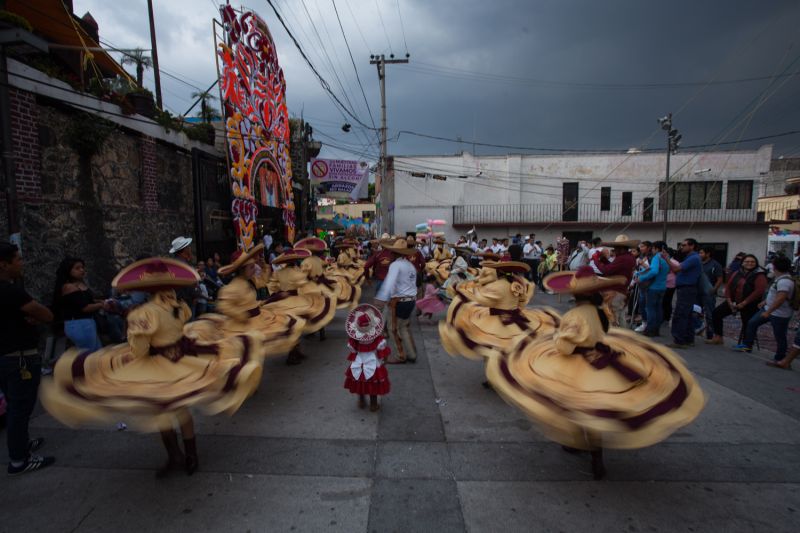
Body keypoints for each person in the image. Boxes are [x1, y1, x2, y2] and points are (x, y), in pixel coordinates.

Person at [41, 257, 263, 477]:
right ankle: (191, 456)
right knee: (181, 409)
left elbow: (139, 350)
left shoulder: (144, 313)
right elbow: (179, 329)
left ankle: (175, 455)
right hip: (181, 359)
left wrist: (131, 344)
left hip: (159, 364)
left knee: (162, 410)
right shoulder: (179, 306)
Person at [486, 266, 705, 479]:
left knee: (575, 403)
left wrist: (556, 341)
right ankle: (594, 455)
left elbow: (565, 346)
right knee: (595, 405)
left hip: (577, 363)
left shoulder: (574, 315)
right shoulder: (598, 311)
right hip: (600, 359)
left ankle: (580, 445)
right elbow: (600, 333)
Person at [0, 241, 56, 475]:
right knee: (20, 407)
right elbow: (45, 313)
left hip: (5, 356)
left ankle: (20, 443)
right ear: (4, 264)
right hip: (19, 357)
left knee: (15, 406)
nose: (21, 263)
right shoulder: (11, 291)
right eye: (18, 259)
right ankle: (19, 460)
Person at [734, 256, 794, 359]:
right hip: (768, 309)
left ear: (775, 267)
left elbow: (780, 299)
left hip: (778, 313)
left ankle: (780, 358)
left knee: (780, 336)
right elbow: (775, 295)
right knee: (752, 323)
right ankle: (747, 345)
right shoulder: (780, 278)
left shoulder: (785, 281)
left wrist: (768, 311)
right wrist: (765, 302)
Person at [374, 238, 419, 363]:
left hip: (399, 301)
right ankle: (411, 354)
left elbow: (389, 283)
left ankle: (400, 355)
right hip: (411, 300)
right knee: (404, 327)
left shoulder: (395, 265)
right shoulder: (410, 265)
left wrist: (380, 299)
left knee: (393, 328)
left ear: (395, 253)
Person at [706, 254, 767, 346]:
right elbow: (728, 287)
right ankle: (718, 337)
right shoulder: (737, 273)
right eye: (747, 261)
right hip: (734, 301)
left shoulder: (759, 275)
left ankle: (746, 345)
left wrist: (744, 303)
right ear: (742, 263)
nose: (749, 263)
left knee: (747, 323)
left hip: (750, 303)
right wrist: (729, 301)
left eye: (752, 262)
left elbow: (759, 291)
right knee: (716, 313)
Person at [51, 257, 106, 352]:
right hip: (79, 324)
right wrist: (102, 305)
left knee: (96, 353)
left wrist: (99, 302)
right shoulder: (69, 287)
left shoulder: (79, 284)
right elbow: (84, 307)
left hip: (87, 322)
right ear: (68, 270)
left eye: (82, 267)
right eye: (77, 268)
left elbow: (87, 300)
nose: (82, 270)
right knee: (89, 355)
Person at [344, 304, 391, 412]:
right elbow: (382, 351)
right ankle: (373, 405)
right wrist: (385, 360)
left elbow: (353, 350)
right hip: (373, 363)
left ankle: (361, 401)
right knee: (373, 384)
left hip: (359, 362)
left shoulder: (354, 339)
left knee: (360, 381)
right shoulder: (378, 339)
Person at [595, 235, 639, 327]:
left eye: (616, 248)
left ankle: (614, 339)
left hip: (616, 292)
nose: (615, 250)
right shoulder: (629, 257)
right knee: (620, 316)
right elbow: (613, 268)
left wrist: (597, 261)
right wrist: (604, 260)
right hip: (622, 290)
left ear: (622, 248)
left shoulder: (623, 258)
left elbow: (607, 270)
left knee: (612, 317)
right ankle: (623, 337)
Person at [667, 238, 702, 348]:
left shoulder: (693, 258)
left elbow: (676, 269)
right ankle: (688, 338)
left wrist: (666, 258)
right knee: (686, 314)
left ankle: (679, 340)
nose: (681, 247)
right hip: (686, 289)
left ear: (692, 246)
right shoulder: (690, 258)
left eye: (684, 245)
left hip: (687, 289)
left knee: (681, 314)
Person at [634, 240, 669, 337]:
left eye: (653, 248)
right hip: (662, 287)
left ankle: (650, 330)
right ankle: (656, 330)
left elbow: (654, 271)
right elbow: (652, 269)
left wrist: (641, 278)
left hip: (653, 287)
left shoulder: (656, 257)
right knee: (658, 309)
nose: (652, 250)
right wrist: (639, 273)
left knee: (650, 309)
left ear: (656, 249)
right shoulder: (666, 257)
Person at [699, 247, 723, 340]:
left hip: (709, 293)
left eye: (701, 252)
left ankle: (711, 335)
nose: (699, 254)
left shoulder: (715, 265)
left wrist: (714, 289)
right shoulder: (699, 263)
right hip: (698, 292)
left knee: (709, 314)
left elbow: (720, 278)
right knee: (697, 312)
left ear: (707, 254)